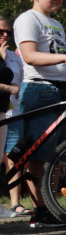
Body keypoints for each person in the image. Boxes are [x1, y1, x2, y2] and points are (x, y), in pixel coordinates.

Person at [11, 0, 66, 229]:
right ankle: (40, 211)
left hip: (60, 90)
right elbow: (29, 56)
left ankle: (50, 206)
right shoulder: (28, 19)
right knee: (38, 155)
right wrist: (65, 59)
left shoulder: (56, 23)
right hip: (39, 90)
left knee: (57, 155)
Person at [0, 17, 23, 218]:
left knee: (12, 158)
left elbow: (21, 84)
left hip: (13, 113)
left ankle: (15, 203)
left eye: (8, 32)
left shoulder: (15, 57)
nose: (5, 35)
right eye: (1, 31)